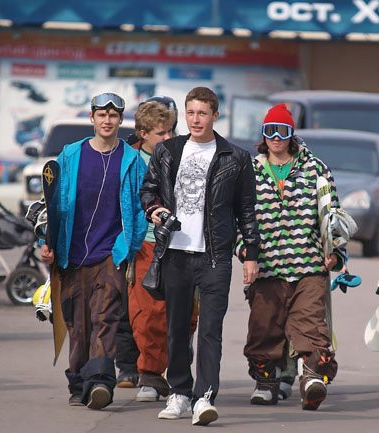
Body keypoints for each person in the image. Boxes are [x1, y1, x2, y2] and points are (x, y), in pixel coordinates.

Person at [140, 86, 259, 425]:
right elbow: (148, 190)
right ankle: (178, 393)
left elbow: (246, 210)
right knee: (176, 327)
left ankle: (204, 397)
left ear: (215, 116)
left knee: (210, 330)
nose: (196, 119)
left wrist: (251, 255)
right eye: (190, 113)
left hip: (215, 256)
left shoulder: (236, 158)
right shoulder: (167, 151)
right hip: (175, 253)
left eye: (202, 113)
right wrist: (154, 210)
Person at [40, 92, 147, 409]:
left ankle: (100, 381)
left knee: (105, 318)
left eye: (113, 115)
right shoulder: (70, 155)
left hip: (110, 254)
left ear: (120, 120)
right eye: (102, 115)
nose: (107, 120)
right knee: (78, 324)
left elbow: (140, 209)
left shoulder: (132, 160)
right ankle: (78, 382)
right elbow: (53, 203)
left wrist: (127, 246)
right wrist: (48, 242)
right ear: (92, 118)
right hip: (71, 255)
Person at [241, 103, 346, 410]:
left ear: (291, 134)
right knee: (263, 329)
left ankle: (312, 380)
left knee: (311, 326)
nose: (276, 137)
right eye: (270, 130)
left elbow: (333, 215)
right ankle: (266, 382)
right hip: (266, 267)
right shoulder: (249, 170)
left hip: (309, 265)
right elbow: (238, 218)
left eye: (282, 131)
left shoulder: (316, 168)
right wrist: (244, 251)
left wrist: (336, 252)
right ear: (263, 134)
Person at [126, 99, 199, 402]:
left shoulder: (183, 155)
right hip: (146, 244)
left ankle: (178, 369)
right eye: (161, 133)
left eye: (170, 131)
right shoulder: (130, 162)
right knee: (148, 314)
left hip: (184, 243)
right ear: (143, 134)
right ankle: (151, 374)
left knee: (186, 313)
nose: (168, 138)